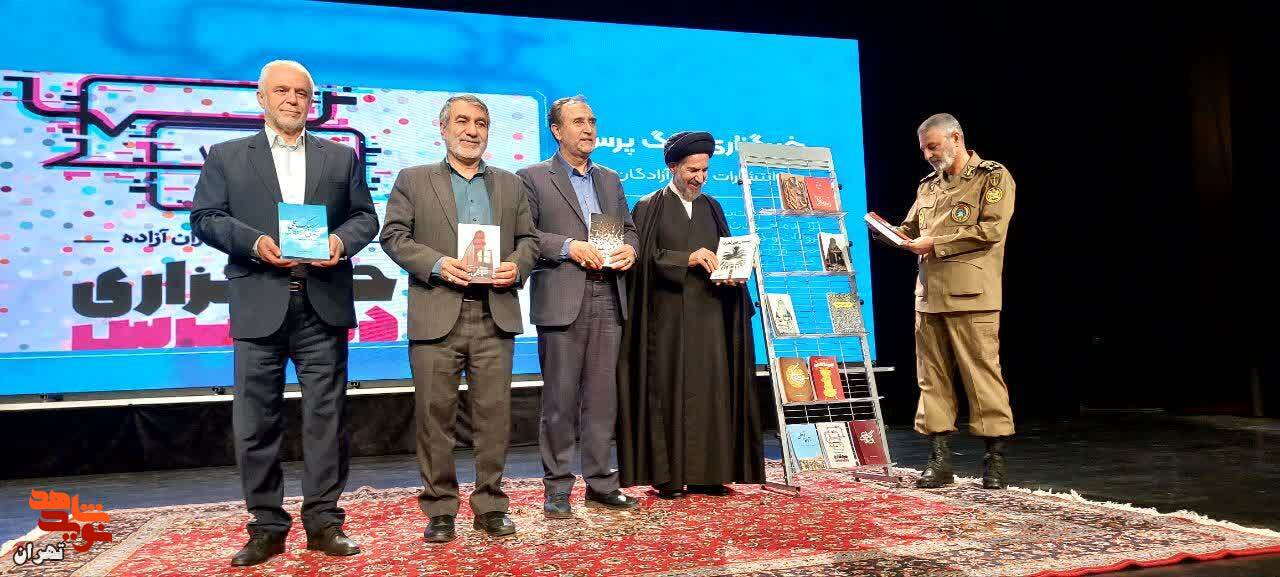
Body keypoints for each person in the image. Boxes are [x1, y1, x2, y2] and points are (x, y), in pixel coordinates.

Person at [190, 59, 377, 566]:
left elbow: (365, 217)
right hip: (259, 298)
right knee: (255, 422)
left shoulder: (341, 157)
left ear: (312, 101)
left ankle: (324, 523)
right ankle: (266, 527)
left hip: (322, 302)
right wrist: (254, 243)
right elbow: (204, 217)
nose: (293, 99)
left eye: (302, 93)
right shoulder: (228, 156)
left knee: (327, 419)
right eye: (282, 91)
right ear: (262, 98)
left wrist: (340, 241)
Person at [379, 94, 538, 542]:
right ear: (443, 128)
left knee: (494, 418)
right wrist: (435, 264)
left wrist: (517, 266)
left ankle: (491, 504)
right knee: (435, 419)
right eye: (463, 121)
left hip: (494, 313)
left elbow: (529, 241)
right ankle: (440, 509)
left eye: (481, 123)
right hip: (437, 310)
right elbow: (393, 236)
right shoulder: (413, 179)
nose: (472, 130)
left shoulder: (510, 184)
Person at [617, 131, 764, 499]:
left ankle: (709, 474)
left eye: (704, 171)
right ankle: (669, 478)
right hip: (667, 320)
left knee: (712, 392)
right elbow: (642, 261)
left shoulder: (712, 207)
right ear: (673, 167)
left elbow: (725, 254)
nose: (699, 178)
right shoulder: (649, 206)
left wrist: (734, 272)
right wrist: (688, 258)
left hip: (710, 315)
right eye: (692, 170)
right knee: (670, 393)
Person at [516, 95, 640, 518]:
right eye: (578, 122)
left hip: (609, 294)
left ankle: (601, 482)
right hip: (563, 297)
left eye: (592, 121)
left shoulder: (610, 178)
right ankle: (557, 488)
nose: (588, 129)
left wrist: (629, 250)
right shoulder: (533, 177)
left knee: (603, 398)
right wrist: (569, 246)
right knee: (560, 400)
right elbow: (525, 235)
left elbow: (629, 230)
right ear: (556, 130)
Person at [895, 113, 1016, 489]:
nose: (928, 155)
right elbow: (911, 228)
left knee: (982, 377)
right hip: (929, 296)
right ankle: (939, 459)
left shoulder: (992, 176)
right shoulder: (929, 186)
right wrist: (890, 233)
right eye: (924, 150)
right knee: (931, 379)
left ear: (956, 138)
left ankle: (994, 459)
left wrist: (936, 243)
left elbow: (991, 229)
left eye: (933, 147)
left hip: (972, 296)